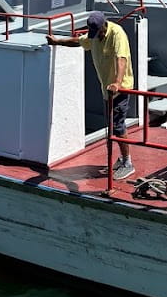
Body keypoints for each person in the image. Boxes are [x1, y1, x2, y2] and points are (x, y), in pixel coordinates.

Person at [47, 10, 136, 179]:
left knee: (118, 126)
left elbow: (121, 59)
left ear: (105, 25)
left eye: (99, 32)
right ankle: (122, 158)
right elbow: (79, 42)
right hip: (107, 89)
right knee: (112, 124)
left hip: (120, 88)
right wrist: (57, 42)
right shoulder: (94, 36)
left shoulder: (117, 33)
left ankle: (128, 162)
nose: (97, 36)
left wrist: (117, 82)